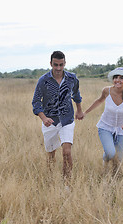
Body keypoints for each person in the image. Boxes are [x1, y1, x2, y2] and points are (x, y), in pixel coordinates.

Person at [32, 51, 84, 184]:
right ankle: (50, 183)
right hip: (50, 122)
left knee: (66, 152)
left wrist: (79, 110)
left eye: (61, 65)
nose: (58, 68)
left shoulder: (72, 78)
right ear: (51, 64)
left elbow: (76, 95)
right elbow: (36, 102)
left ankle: (67, 184)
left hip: (67, 120)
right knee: (51, 154)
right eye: (55, 65)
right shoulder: (43, 81)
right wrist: (43, 118)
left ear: (65, 63)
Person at [83, 67, 123, 176]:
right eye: (116, 77)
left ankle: (114, 178)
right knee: (111, 153)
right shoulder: (107, 90)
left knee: (118, 159)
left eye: (121, 78)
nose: (118, 80)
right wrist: (85, 112)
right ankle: (105, 160)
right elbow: (99, 101)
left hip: (121, 129)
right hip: (105, 126)